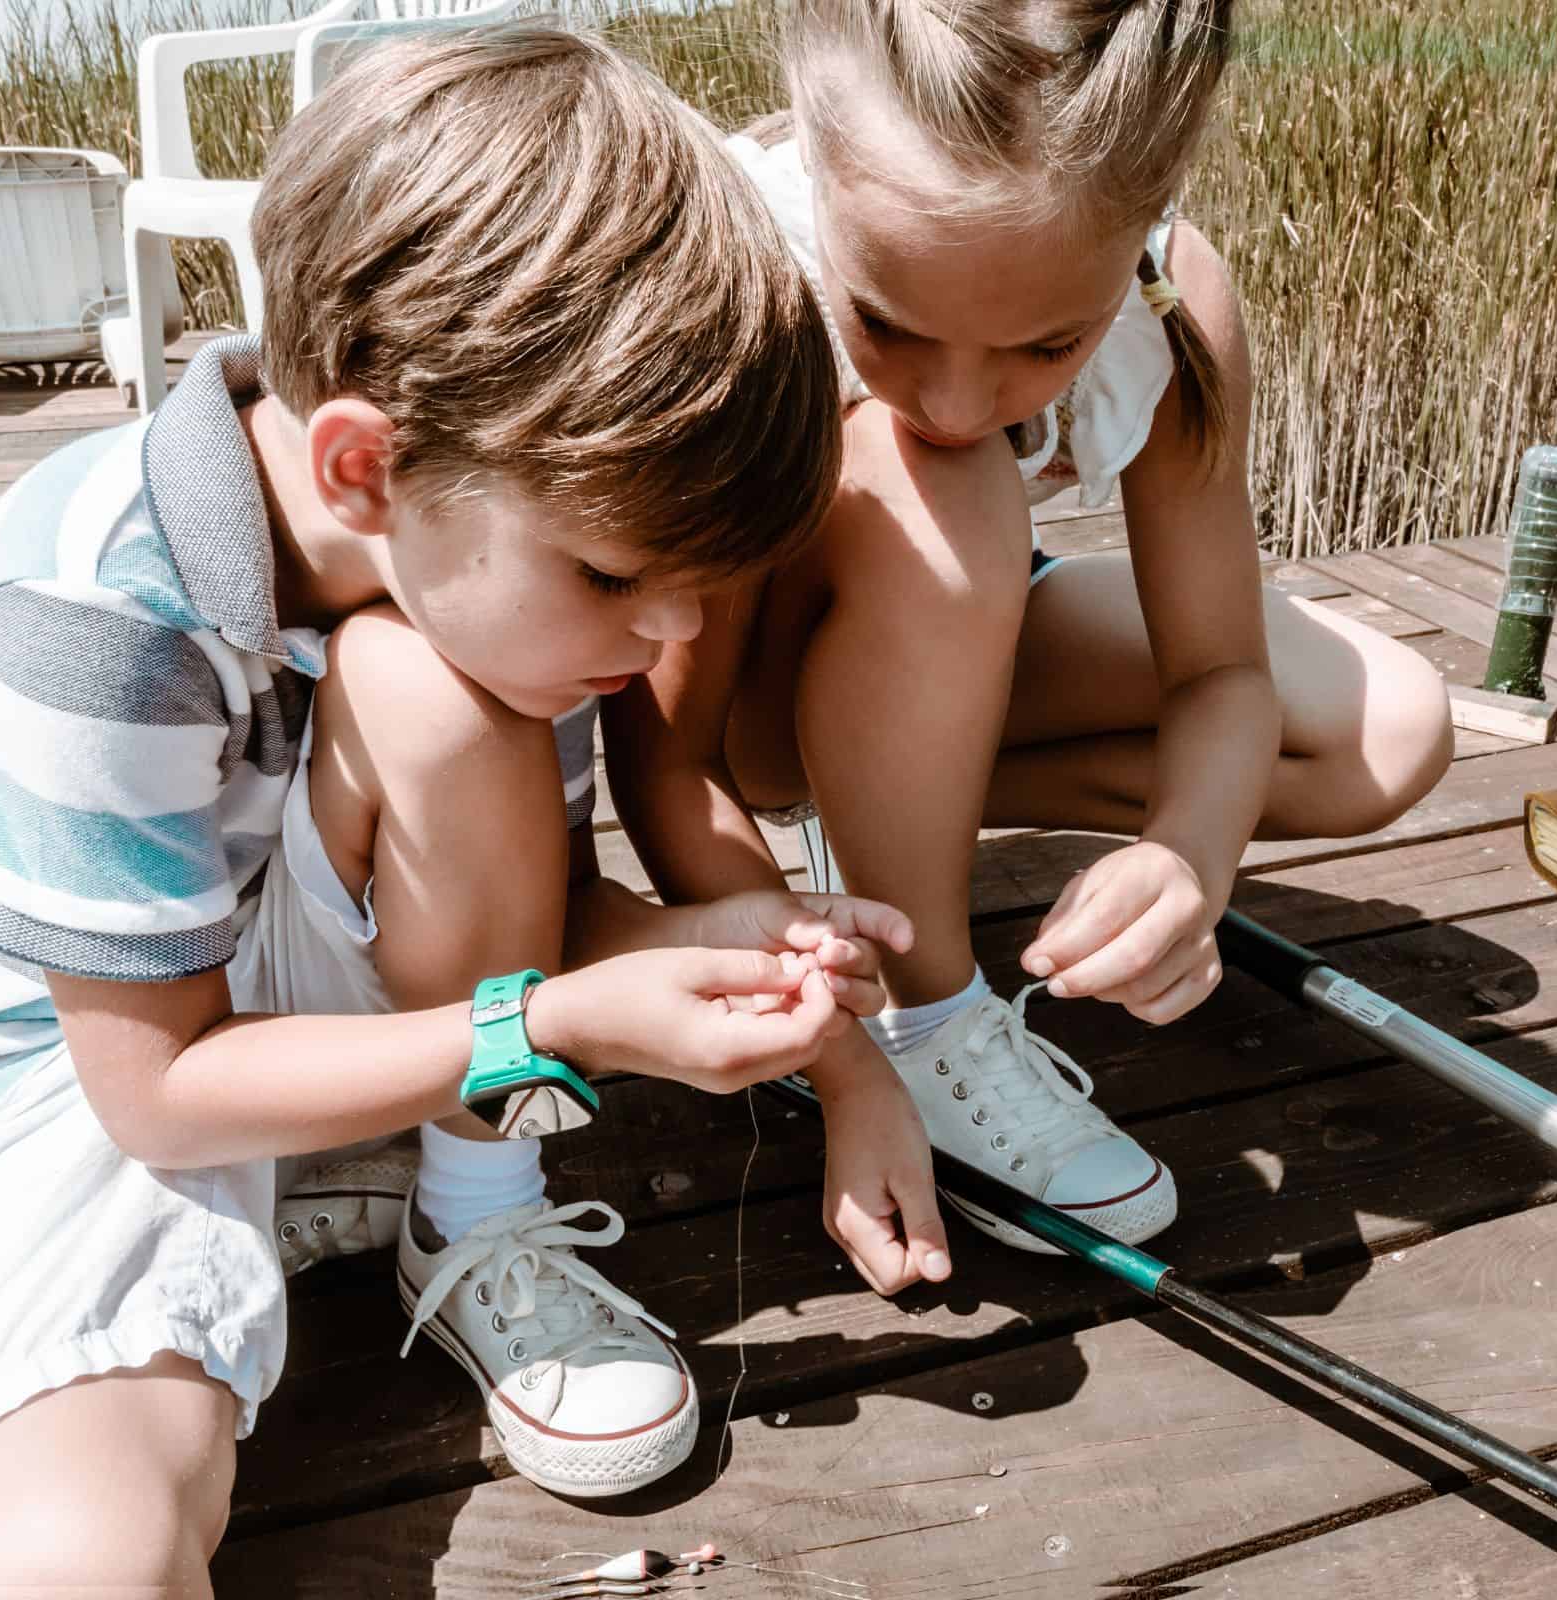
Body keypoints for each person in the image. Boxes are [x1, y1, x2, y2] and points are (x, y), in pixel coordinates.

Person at [0, 27, 914, 1591]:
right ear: (361, 468)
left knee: (419, 686)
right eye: (620, 577)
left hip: (263, 1005)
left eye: (697, 586)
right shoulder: (86, 617)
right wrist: (562, 1025)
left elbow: (513, 903)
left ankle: (465, 1203)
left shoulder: (483, 574)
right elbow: (154, 1093)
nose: (673, 636)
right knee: (88, 1551)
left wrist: (695, 938)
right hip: (82, 1066)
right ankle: (379, 1170)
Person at [607, 0, 1454, 1290]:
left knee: (1389, 731)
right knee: (939, 478)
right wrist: (826, 1029)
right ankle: (931, 1010)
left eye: (1046, 346)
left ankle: (899, 810)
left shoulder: (1176, 299)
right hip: (753, 694)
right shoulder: (730, 269)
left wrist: (1190, 855)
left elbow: (1220, 671)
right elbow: (671, 762)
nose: (954, 399)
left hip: (955, 622)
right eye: (886, 324)